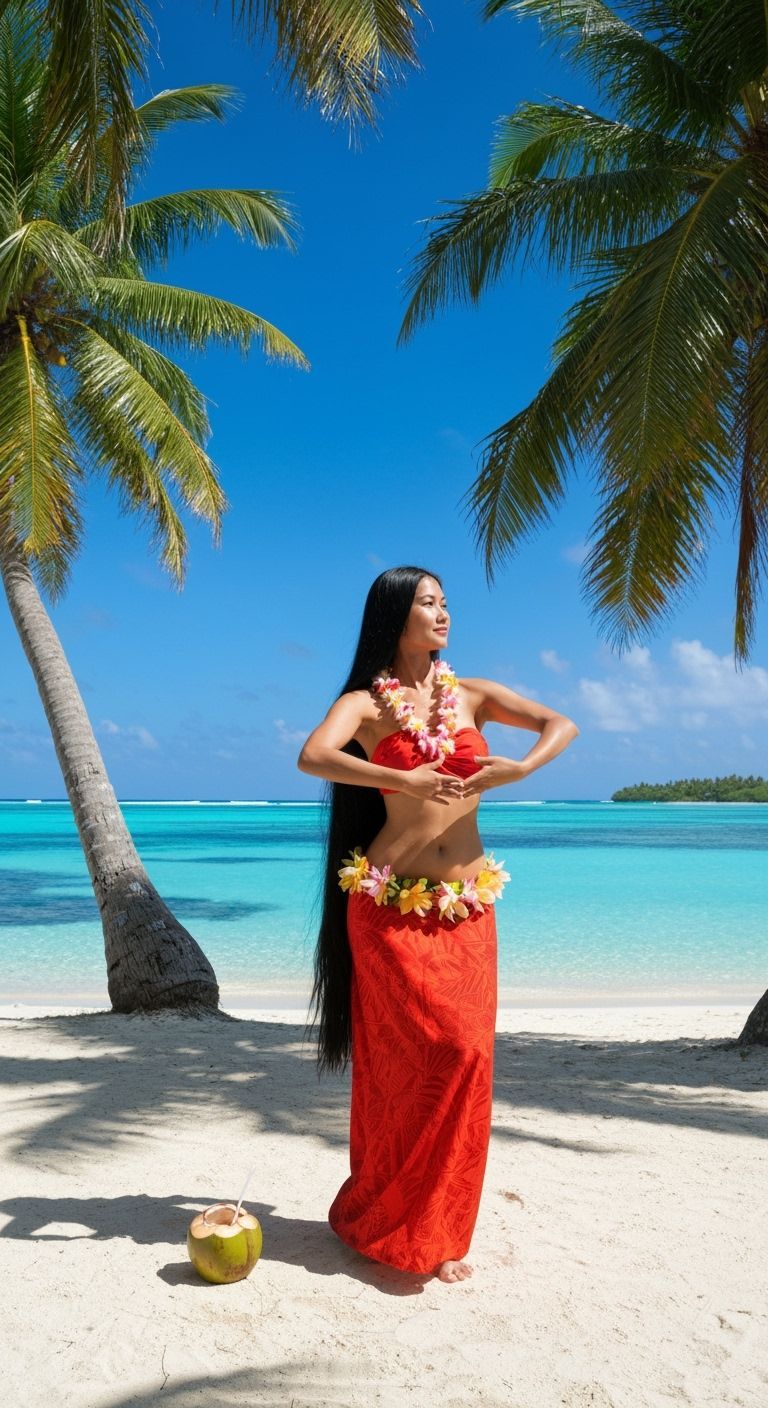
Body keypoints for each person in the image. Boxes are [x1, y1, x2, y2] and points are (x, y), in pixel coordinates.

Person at [297, 565, 579, 1282]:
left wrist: (517, 770)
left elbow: (561, 723)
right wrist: (401, 777)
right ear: (395, 616)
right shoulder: (365, 705)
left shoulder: (474, 696)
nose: (443, 613)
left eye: (446, 602)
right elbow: (312, 756)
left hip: (465, 909)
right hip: (390, 910)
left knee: (464, 1059)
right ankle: (383, 1218)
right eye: (428, 603)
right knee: (401, 1072)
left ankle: (440, 1229)